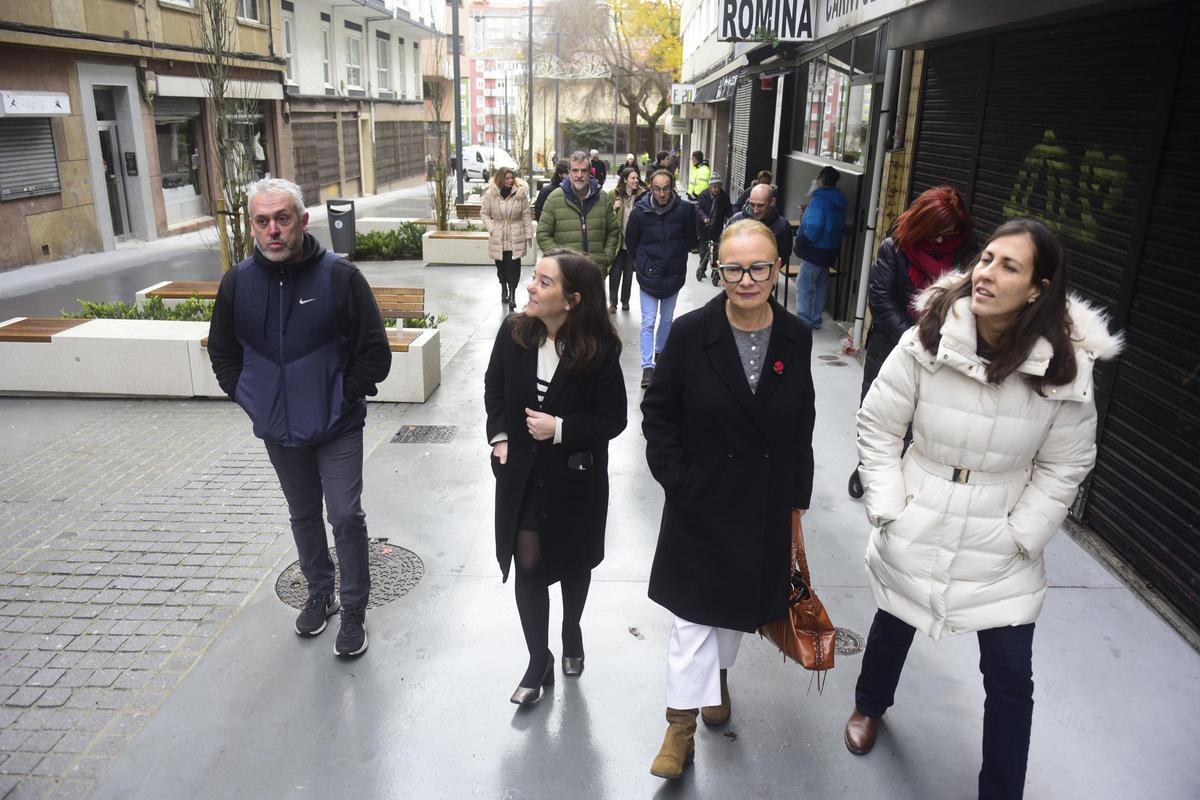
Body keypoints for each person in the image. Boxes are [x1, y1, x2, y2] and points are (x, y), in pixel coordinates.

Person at [845, 218, 1122, 800]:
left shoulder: (1065, 366)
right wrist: (891, 504)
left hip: (1002, 529)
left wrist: (1024, 533)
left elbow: (1066, 463)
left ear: (1039, 287)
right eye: (987, 258)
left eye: (1008, 266)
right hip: (921, 505)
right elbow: (878, 423)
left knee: (1010, 678)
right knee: (896, 612)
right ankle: (869, 704)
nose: (987, 273)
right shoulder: (929, 336)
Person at [642, 218, 816, 780]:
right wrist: (679, 479)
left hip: (762, 505)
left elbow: (801, 423)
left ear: (776, 268)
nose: (746, 280)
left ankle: (716, 679)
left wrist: (796, 502)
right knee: (692, 617)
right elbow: (659, 413)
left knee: (736, 614)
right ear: (718, 270)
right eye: (734, 268)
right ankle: (679, 726)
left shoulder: (796, 336)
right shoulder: (692, 334)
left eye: (758, 267)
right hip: (702, 500)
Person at [207, 177, 391, 658]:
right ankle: (320, 593)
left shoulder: (339, 277)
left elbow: (375, 354)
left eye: (282, 219)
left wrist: (341, 397)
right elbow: (224, 353)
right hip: (278, 430)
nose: (272, 230)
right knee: (303, 514)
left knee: (345, 516)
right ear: (252, 226)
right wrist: (250, 397)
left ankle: (353, 609)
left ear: (303, 221)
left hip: (337, 426)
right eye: (262, 221)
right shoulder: (238, 283)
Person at [484, 249, 628, 706]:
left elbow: (614, 419)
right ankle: (536, 658)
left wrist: (561, 429)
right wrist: (500, 436)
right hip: (522, 473)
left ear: (572, 300)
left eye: (544, 282)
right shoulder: (514, 335)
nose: (531, 286)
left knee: (573, 560)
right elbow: (494, 387)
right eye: (534, 278)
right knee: (527, 561)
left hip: (575, 480)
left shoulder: (600, 351)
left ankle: (571, 629)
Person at [847, 185, 973, 498]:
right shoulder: (895, 247)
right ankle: (868, 467)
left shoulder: (968, 255)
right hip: (891, 346)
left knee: (922, 419)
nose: (942, 239)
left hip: (942, 353)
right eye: (936, 231)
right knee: (880, 413)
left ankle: (902, 472)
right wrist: (913, 339)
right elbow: (880, 300)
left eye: (949, 232)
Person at [625, 168, 697, 389]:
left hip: (673, 275)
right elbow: (631, 242)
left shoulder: (685, 210)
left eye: (666, 188)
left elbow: (690, 239)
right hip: (649, 275)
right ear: (650, 188)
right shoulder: (640, 212)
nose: (662, 194)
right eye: (657, 189)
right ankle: (647, 367)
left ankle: (660, 356)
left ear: (672, 187)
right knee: (648, 321)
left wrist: (676, 258)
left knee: (667, 320)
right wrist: (644, 264)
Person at [536, 151, 619, 277]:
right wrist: (559, 260)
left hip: (595, 273)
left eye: (583, 170)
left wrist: (605, 258)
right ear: (569, 172)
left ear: (589, 171)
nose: (579, 175)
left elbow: (613, 230)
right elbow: (543, 235)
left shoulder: (603, 198)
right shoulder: (554, 199)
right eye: (575, 170)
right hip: (565, 274)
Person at [793, 166, 848, 329]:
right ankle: (815, 319)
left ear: (821, 179)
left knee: (804, 285)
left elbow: (814, 228)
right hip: (830, 249)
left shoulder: (819, 200)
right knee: (820, 286)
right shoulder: (838, 201)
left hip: (814, 250)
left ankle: (804, 321)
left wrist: (802, 239)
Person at [481, 167, 534, 312]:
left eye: (512, 178)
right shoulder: (491, 194)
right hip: (498, 235)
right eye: (507, 178)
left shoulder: (520, 194)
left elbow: (526, 215)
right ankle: (503, 286)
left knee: (514, 267)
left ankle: (512, 295)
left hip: (515, 234)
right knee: (501, 267)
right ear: (500, 179)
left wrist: (529, 234)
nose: (510, 181)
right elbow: (484, 214)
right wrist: (491, 228)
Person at [728, 183, 792, 274]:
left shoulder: (782, 227)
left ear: (772, 202)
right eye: (752, 205)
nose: (755, 210)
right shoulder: (736, 220)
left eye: (761, 205)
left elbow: (784, 255)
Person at [609, 166, 644, 313]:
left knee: (628, 276)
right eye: (633, 178)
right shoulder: (613, 194)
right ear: (625, 180)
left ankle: (625, 301)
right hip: (617, 243)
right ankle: (613, 303)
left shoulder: (642, 196)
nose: (636, 181)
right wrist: (613, 208)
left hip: (632, 244)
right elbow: (605, 216)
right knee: (615, 274)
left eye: (637, 178)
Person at [694, 172, 732, 281]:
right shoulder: (703, 196)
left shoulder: (724, 197)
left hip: (717, 227)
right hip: (704, 228)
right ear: (710, 187)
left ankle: (715, 269)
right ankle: (703, 267)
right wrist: (704, 218)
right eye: (714, 187)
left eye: (718, 187)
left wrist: (733, 218)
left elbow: (728, 209)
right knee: (703, 250)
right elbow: (698, 208)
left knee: (716, 249)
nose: (716, 189)